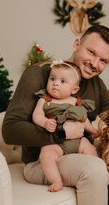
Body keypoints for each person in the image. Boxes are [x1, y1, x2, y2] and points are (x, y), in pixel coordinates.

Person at [2, 25, 109, 205]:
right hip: (43, 161)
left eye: (103, 60)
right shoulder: (41, 74)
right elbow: (10, 129)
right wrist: (60, 133)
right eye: (91, 52)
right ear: (76, 44)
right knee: (94, 168)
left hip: (77, 152)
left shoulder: (96, 85)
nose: (95, 64)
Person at [33, 60, 98, 192]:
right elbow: (36, 115)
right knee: (45, 154)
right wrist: (45, 122)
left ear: (74, 89)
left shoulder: (76, 102)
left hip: (78, 142)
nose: (55, 83)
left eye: (63, 81)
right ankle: (56, 180)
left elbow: (83, 120)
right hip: (57, 144)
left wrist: (93, 130)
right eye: (52, 79)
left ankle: (103, 168)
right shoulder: (45, 100)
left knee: (90, 148)